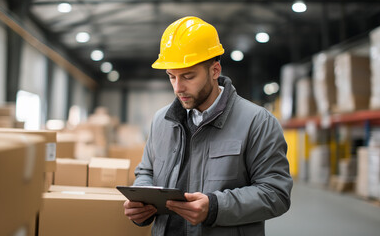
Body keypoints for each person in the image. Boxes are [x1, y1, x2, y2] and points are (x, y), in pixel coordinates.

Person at [123, 16, 292, 236]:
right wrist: (142, 202)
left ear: (215, 70)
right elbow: (146, 172)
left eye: (188, 76)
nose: (178, 87)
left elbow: (276, 194)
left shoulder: (257, 122)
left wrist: (214, 207)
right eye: (171, 77)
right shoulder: (161, 121)